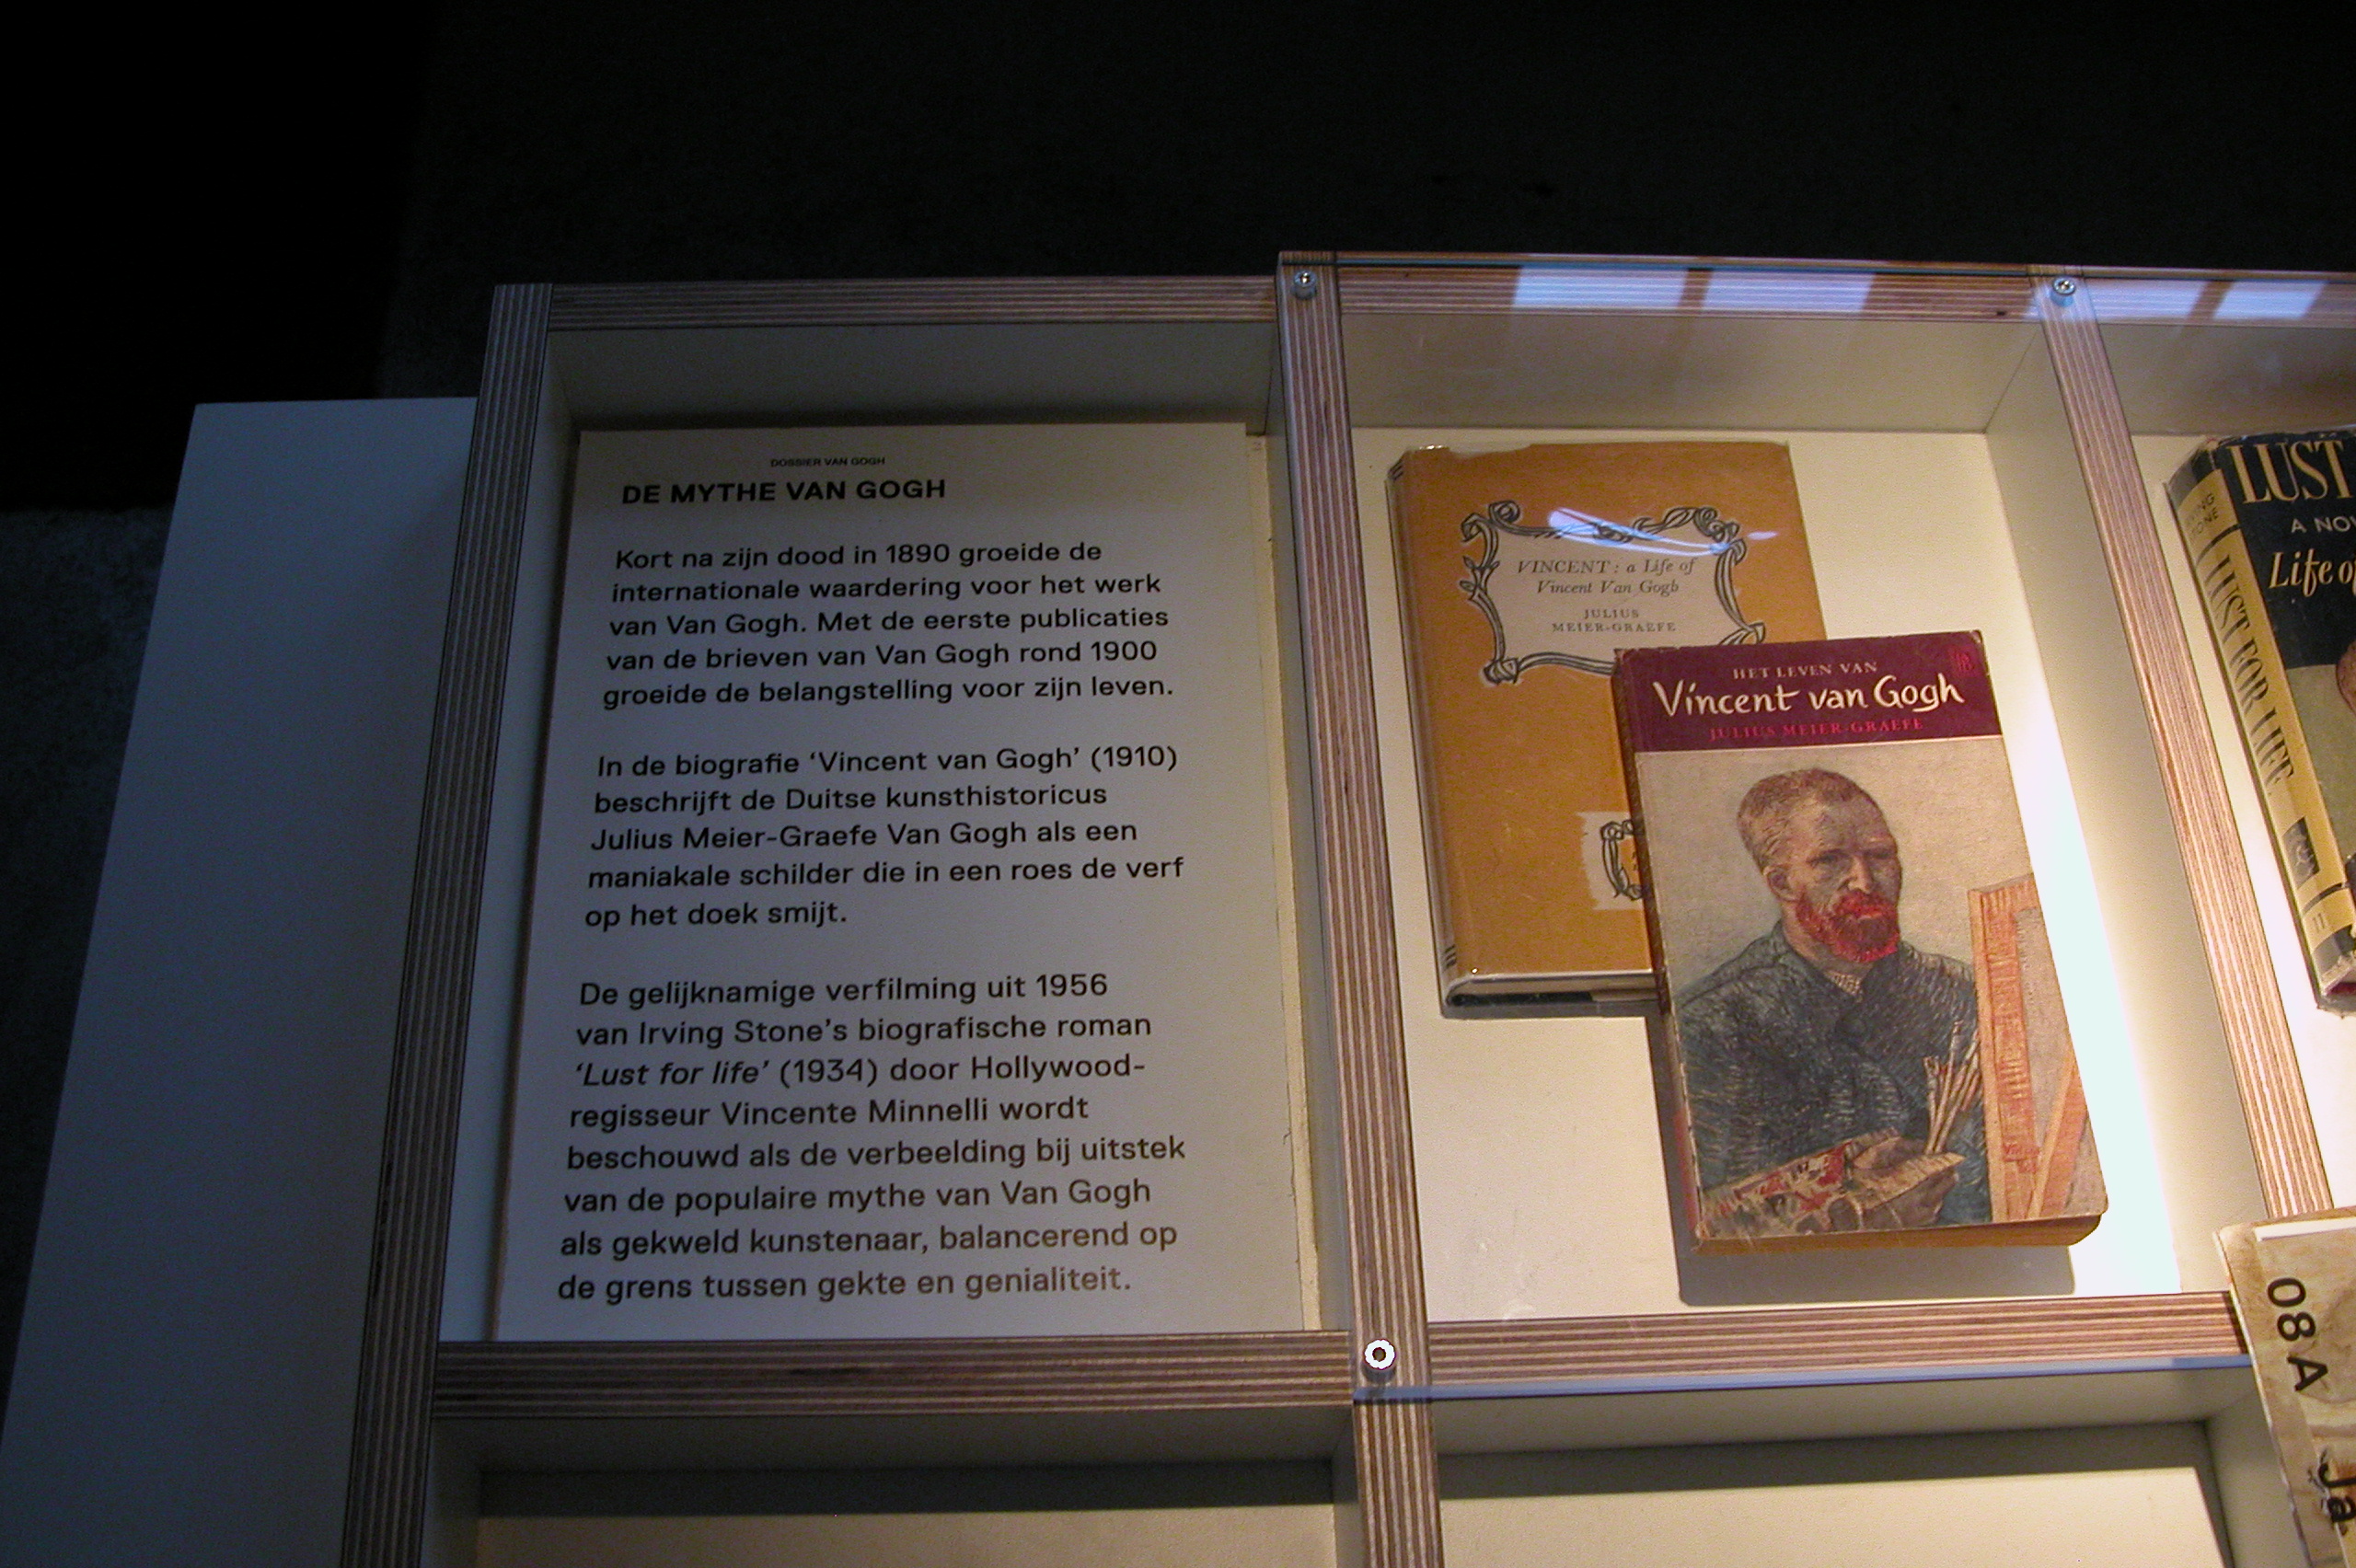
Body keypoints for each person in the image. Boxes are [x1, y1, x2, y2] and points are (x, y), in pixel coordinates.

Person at [1676, 767, 1988, 1229]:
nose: (1864, 881)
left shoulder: (1964, 991)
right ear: (1781, 883)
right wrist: (1852, 1202)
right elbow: (1707, 1219)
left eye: (1880, 855)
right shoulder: (1714, 1023)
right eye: (1829, 861)